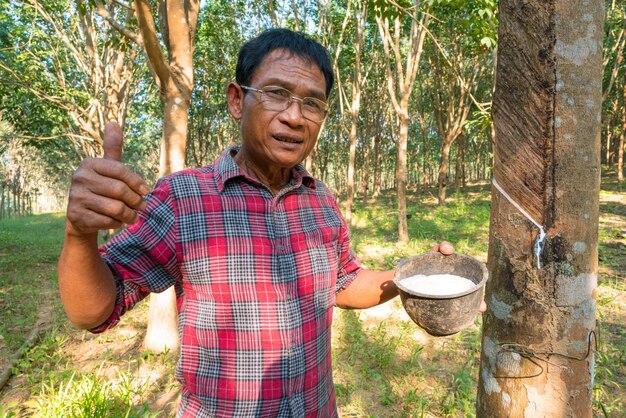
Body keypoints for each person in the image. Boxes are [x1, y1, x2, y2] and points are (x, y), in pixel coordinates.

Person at [58, 28, 457, 417]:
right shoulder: (183, 199)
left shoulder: (320, 200)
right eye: (277, 94)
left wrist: (410, 274)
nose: (295, 117)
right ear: (237, 100)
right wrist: (79, 235)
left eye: (313, 104)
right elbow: (93, 311)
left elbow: (343, 281)